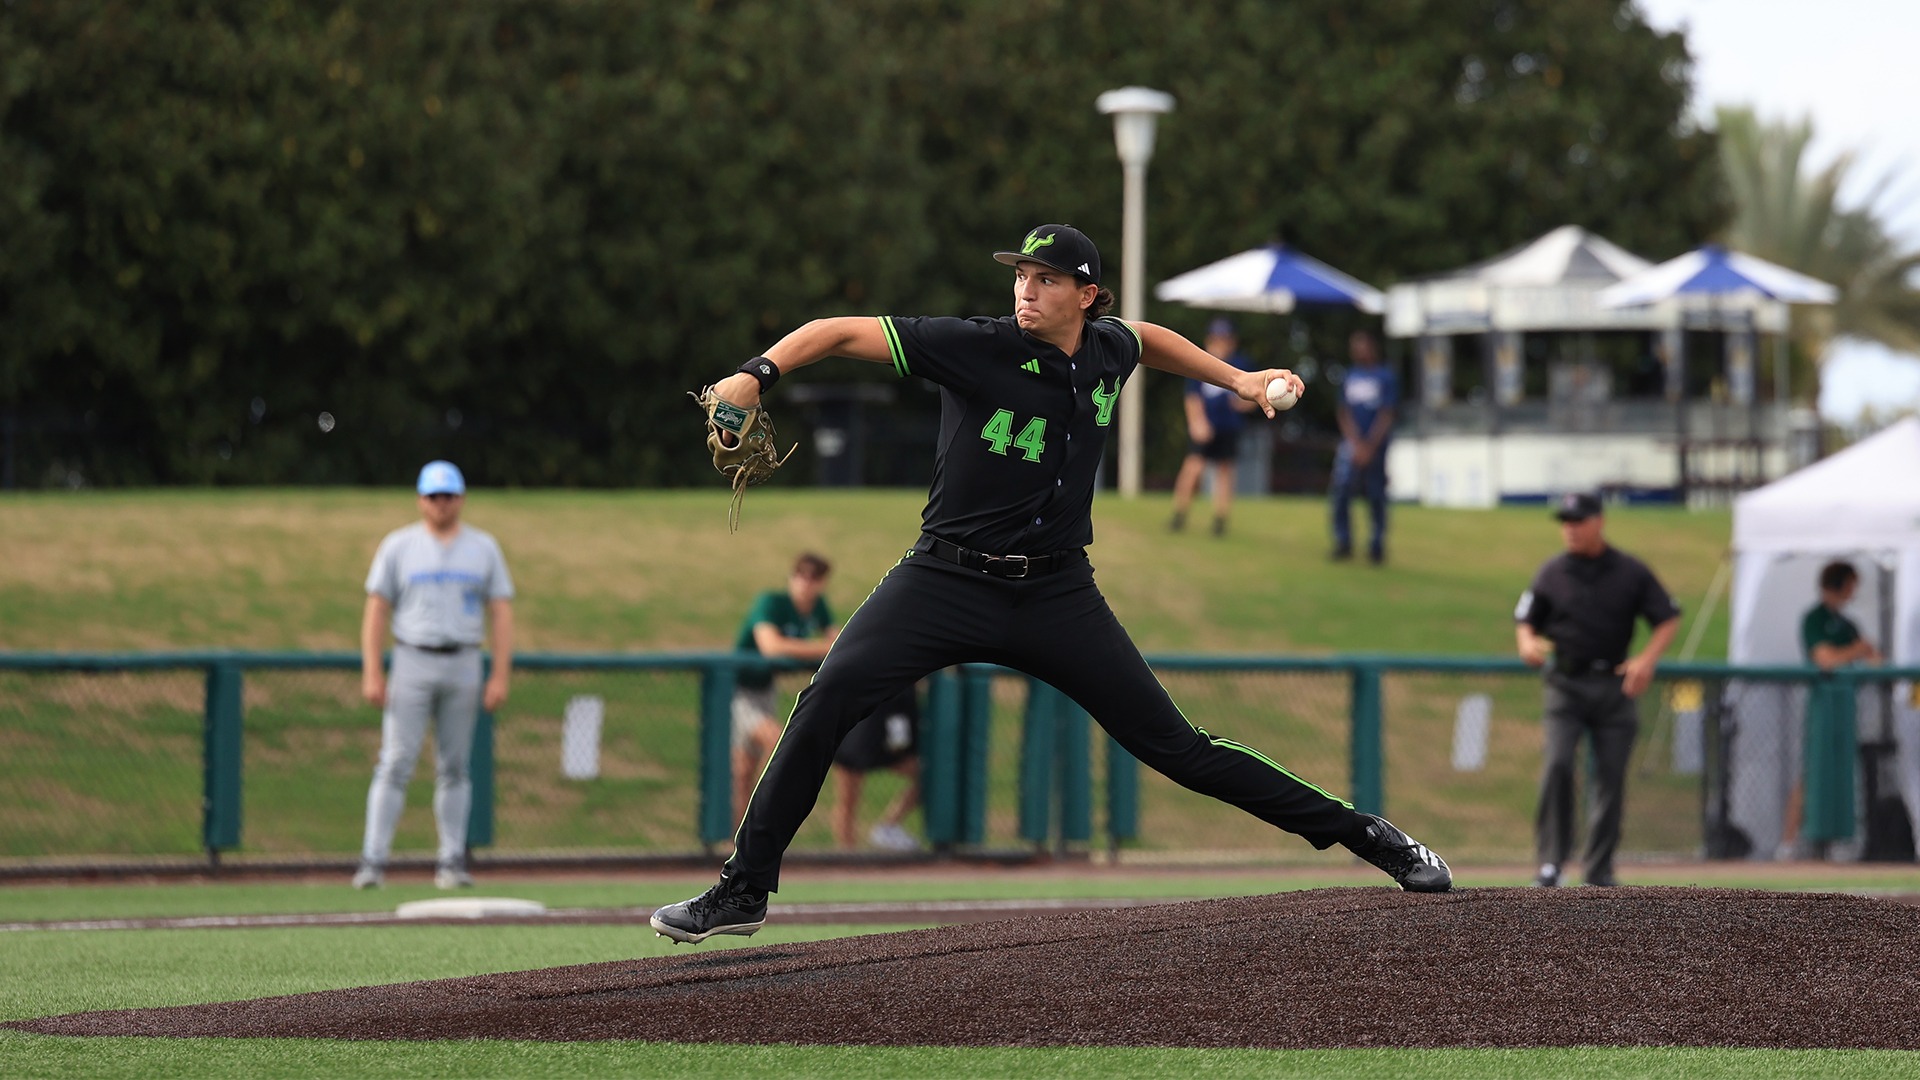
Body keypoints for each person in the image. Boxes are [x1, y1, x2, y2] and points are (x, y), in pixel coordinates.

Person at [652, 223, 1452, 945]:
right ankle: (743, 889)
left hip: (1057, 594)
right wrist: (757, 372)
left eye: (1046, 279)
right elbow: (835, 331)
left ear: (1087, 295)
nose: (1026, 290)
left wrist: (1236, 381)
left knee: (1179, 749)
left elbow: (1148, 339)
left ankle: (1368, 836)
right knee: (826, 700)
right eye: (1020, 276)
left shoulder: (1106, 348)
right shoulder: (974, 345)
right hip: (943, 578)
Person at [354, 460, 515, 890]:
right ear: (420, 500)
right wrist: (372, 670)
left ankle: (450, 860)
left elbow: (500, 611)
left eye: (448, 495)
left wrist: (499, 674)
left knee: (455, 766)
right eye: (433, 496)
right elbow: (376, 608)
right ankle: (373, 860)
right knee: (394, 762)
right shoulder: (399, 545)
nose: (441, 503)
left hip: (463, 659)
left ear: (461, 499)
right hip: (412, 658)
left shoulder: (482, 547)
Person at [1514, 491, 1680, 888]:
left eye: (1578, 521)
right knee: (1557, 765)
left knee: (1611, 776)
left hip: (1614, 685)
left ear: (1599, 521)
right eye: (1565, 523)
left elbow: (1667, 616)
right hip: (1566, 685)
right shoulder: (1552, 572)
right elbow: (1526, 619)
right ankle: (1551, 863)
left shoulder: (1630, 571)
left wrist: (1646, 659)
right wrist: (1527, 642)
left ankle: (1599, 869)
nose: (1571, 529)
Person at [1780, 560, 1882, 857]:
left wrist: (1864, 652)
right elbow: (1824, 659)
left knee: (1848, 772)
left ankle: (1844, 844)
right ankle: (1788, 844)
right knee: (1809, 772)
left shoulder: (1848, 624)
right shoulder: (1815, 618)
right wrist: (1855, 651)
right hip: (1819, 705)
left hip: (1848, 707)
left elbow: (1876, 660)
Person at [732, 552, 838, 825]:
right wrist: (821, 648)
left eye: (813, 578)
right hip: (739, 690)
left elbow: (838, 643)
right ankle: (759, 820)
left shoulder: (817, 607)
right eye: (800, 575)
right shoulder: (771, 602)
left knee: (746, 769)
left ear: (822, 583)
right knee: (773, 743)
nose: (805, 583)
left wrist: (824, 648)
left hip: (765, 689)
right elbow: (771, 646)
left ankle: (744, 834)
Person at [1169, 317, 1256, 537]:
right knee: (1194, 467)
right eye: (1217, 339)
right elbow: (1192, 397)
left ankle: (1220, 519)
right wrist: (1197, 423)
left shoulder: (1241, 365)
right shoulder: (1201, 362)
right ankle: (1179, 513)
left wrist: (1243, 405)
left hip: (1228, 426)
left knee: (1225, 470)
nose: (1221, 344)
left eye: (1225, 339)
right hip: (1205, 426)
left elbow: (1252, 398)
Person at [1329, 330, 1396, 564]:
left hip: (1376, 447)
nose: (1357, 351)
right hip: (1352, 446)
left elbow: (1387, 413)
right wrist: (1355, 443)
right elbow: (1343, 411)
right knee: (1341, 491)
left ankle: (1377, 545)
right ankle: (1343, 542)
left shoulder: (1385, 376)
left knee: (1376, 495)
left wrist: (1370, 445)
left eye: (1361, 346)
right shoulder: (1349, 376)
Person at [830, 685, 923, 852]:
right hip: (857, 727)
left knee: (928, 777)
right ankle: (847, 855)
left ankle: (888, 827)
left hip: (889, 722)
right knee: (848, 800)